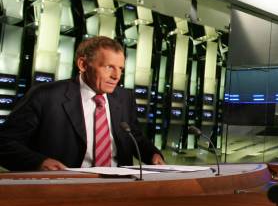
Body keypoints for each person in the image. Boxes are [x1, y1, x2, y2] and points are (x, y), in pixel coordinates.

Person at [0, 36, 165, 171]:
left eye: (120, 68)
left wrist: (152, 155)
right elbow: (5, 144)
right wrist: (39, 162)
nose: (117, 76)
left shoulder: (124, 97)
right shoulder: (45, 96)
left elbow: (134, 136)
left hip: (119, 187)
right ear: (83, 65)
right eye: (109, 67)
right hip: (64, 188)